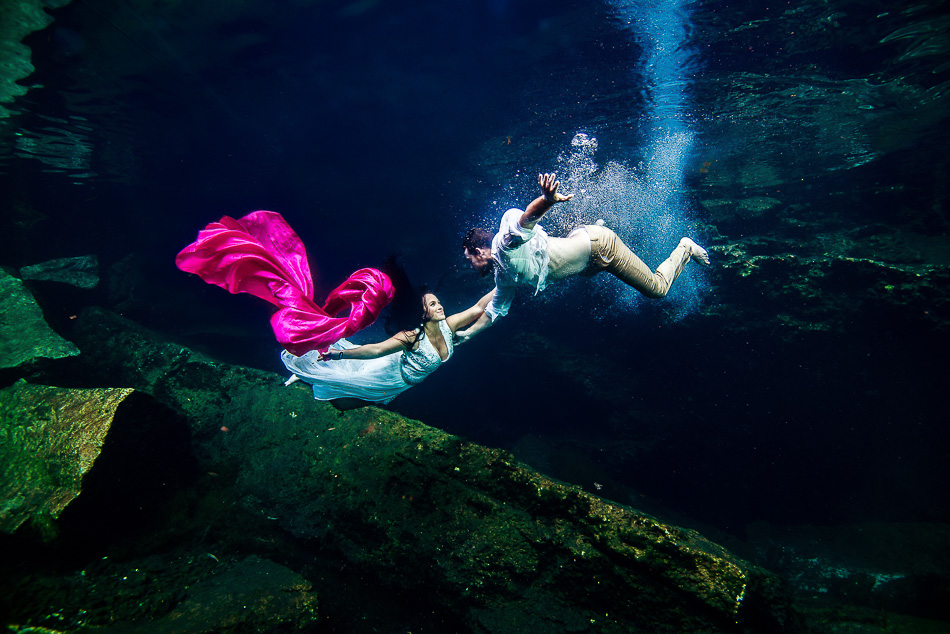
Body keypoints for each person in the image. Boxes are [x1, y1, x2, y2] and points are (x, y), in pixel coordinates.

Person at [457, 172, 710, 340]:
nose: (471, 266)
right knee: (576, 256)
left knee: (656, 289)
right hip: (585, 258)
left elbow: (524, 221)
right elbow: (494, 310)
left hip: (602, 248)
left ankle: (685, 247)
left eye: (469, 260)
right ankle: (594, 228)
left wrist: (547, 200)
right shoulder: (502, 277)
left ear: (479, 252)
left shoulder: (503, 245)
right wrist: (468, 335)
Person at [282, 288, 493, 410]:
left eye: (438, 302)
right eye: (432, 305)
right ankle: (306, 374)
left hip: (404, 385)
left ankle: (311, 377)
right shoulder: (411, 336)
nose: (440, 306)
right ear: (421, 312)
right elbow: (375, 350)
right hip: (389, 373)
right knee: (342, 403)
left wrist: (503, 282)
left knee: (354, 402)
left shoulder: (449, 325)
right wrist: (338, 354)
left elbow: (477, 308)